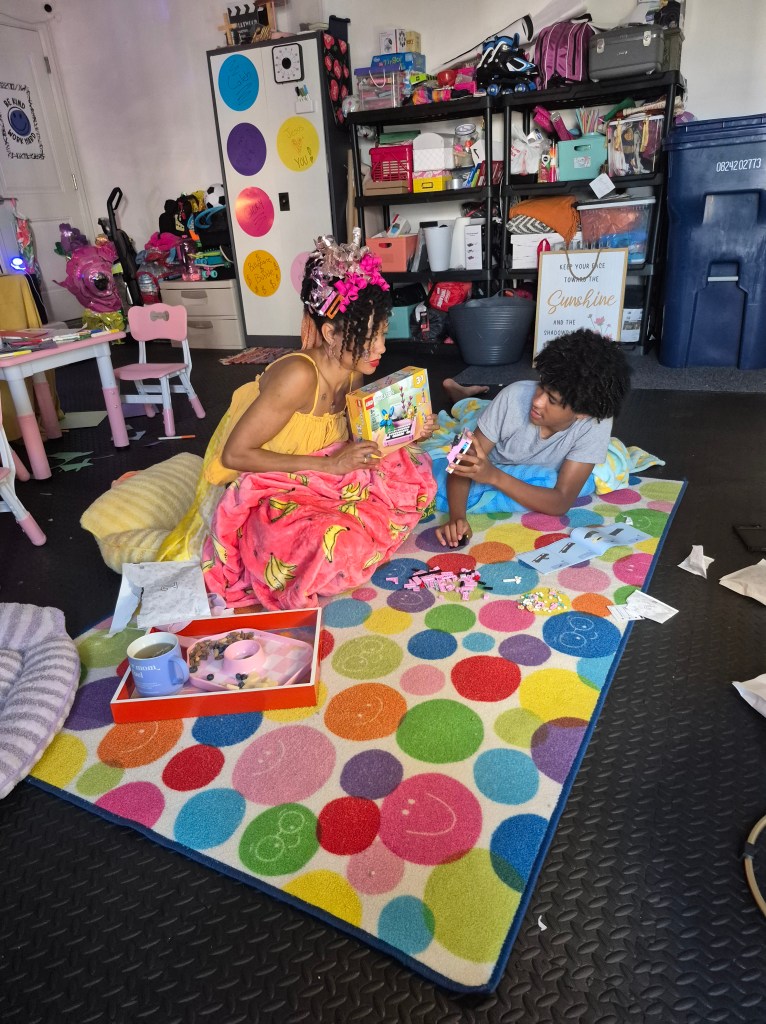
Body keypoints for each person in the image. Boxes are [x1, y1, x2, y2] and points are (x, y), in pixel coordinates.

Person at [192, 232, 437, 610]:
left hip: (320, 475)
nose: (381, 348)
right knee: (330, 542)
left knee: (412, 463)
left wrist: (409, 431)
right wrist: (331, 465)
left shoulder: (352, 369)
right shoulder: (299, 376)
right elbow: (235, 455)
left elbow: (360, 434)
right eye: (368, 337)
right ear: (328, 333)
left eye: (383, 334)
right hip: (266, 483)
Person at [431, 329, 632, 548]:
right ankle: (460, 396)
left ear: (582, 413)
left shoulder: (595, 423)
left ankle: (463, 397)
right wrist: (457, 518)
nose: (537, 401)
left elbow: (561, 502)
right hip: (498, 417)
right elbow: (460, 460)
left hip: (496, 454)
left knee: (476, 411)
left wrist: (493, 476)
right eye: (541, 386)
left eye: (552, 400)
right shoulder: (513, 397)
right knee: (471, 416)